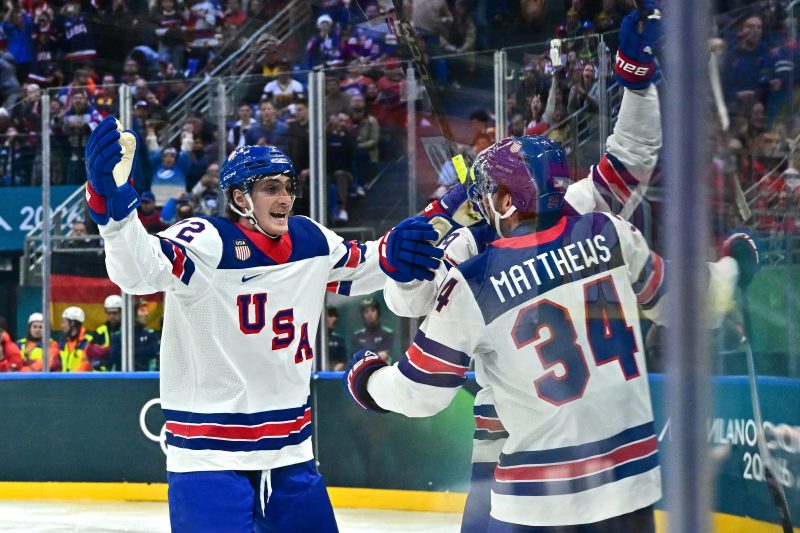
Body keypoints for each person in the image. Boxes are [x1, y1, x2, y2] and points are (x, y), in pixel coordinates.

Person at [346, 131, 757, 531]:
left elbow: (421, 391)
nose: (482, 204)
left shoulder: (474, 281)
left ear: (506, 202)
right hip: (631, 485)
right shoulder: (608, 231)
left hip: (539, 498)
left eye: (489, 193)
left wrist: (368, 381)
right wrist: (733, 268)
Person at [83, 117, 443, 531]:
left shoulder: (311, 240)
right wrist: (115, 220)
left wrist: (398, 248)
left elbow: (367, 264)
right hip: (208, 459)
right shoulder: (206, 241)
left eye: (288, 186)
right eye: (271, 188)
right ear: (240, 198)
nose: (285, 198)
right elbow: (139, 273)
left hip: (290, 454)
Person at [351, 297, 394, 362]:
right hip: (362, 368)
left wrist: (365, 357)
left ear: (378, 312)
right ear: (363, 315)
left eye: (373, 310)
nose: (370, 314)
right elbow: (354, 358)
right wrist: (377, 355)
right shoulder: (357, 335)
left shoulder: (388, 333)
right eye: (366, 311)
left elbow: (385, 356)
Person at [53, 306, 93, 372]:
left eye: (64, 322)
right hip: (63, 378)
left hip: (81, 378)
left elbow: (86, 366)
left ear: (72, 323)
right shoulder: (63, 342)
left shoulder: (88, 343)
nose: (62, 326)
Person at [325, 304, 348, 371]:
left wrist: (335, 369)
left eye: (335, 316)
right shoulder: (313, 339)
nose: (334, 318)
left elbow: (343, 361)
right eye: (330, 315)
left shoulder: (339, 339)